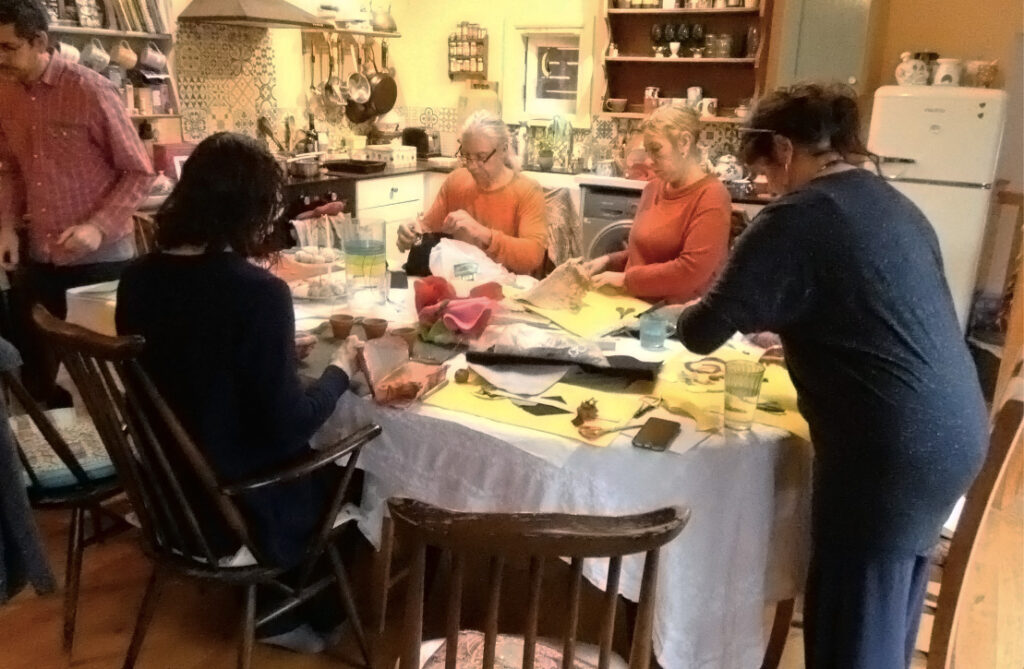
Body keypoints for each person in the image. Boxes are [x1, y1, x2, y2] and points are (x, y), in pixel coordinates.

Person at [677, 83, 988, 669]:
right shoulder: (889, 201)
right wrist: (796, 326)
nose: (765, 185)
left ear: (783, 149)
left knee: (851, 630)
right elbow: (868, 309)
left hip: (888, 449)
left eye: (762, 171)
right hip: (953, 430)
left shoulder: (798, 213)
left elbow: (701, 331)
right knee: (886, 608)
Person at [115, 133, 361, 654]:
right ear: (246, 210)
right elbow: (291, 423)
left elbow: (188, 358)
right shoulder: (257, 293)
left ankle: (287, 606)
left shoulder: (137, 279)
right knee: (356, 468)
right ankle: (288, 612)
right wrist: (340, 369)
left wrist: (270, 354)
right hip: (237, 499)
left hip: (168, 491)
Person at [0, 0, 153, 407]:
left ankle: (121, 464)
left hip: (101, 260)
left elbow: (139, 171)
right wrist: (6, 226)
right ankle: (66, 463)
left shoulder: (90, 89)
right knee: (42, 376)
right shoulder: (4, 93)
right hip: (39, 259)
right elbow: (9, 168)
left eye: (7, 48)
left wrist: (97, 226)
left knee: (108, 382)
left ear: (40, 41)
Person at [583, 105, 731, 304]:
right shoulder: (652, 188)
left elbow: (691, 271)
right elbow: (647, 253)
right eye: (647, 151)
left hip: (675, 319)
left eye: (656, 150)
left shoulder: (712, 196)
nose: (649, 162)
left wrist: (626, 280)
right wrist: (608, 261)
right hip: (633, 307)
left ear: (684, 143)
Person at [396, 110, 548, 275]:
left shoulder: (527, 191)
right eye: (466, 155)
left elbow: (533, 257)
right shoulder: (457, 181)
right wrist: (411, 233)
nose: (472, 165)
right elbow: (426, 228)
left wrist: (483, 233)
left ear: (504, 150)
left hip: (509, 288)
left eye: (481, 157)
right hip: (463, 281)